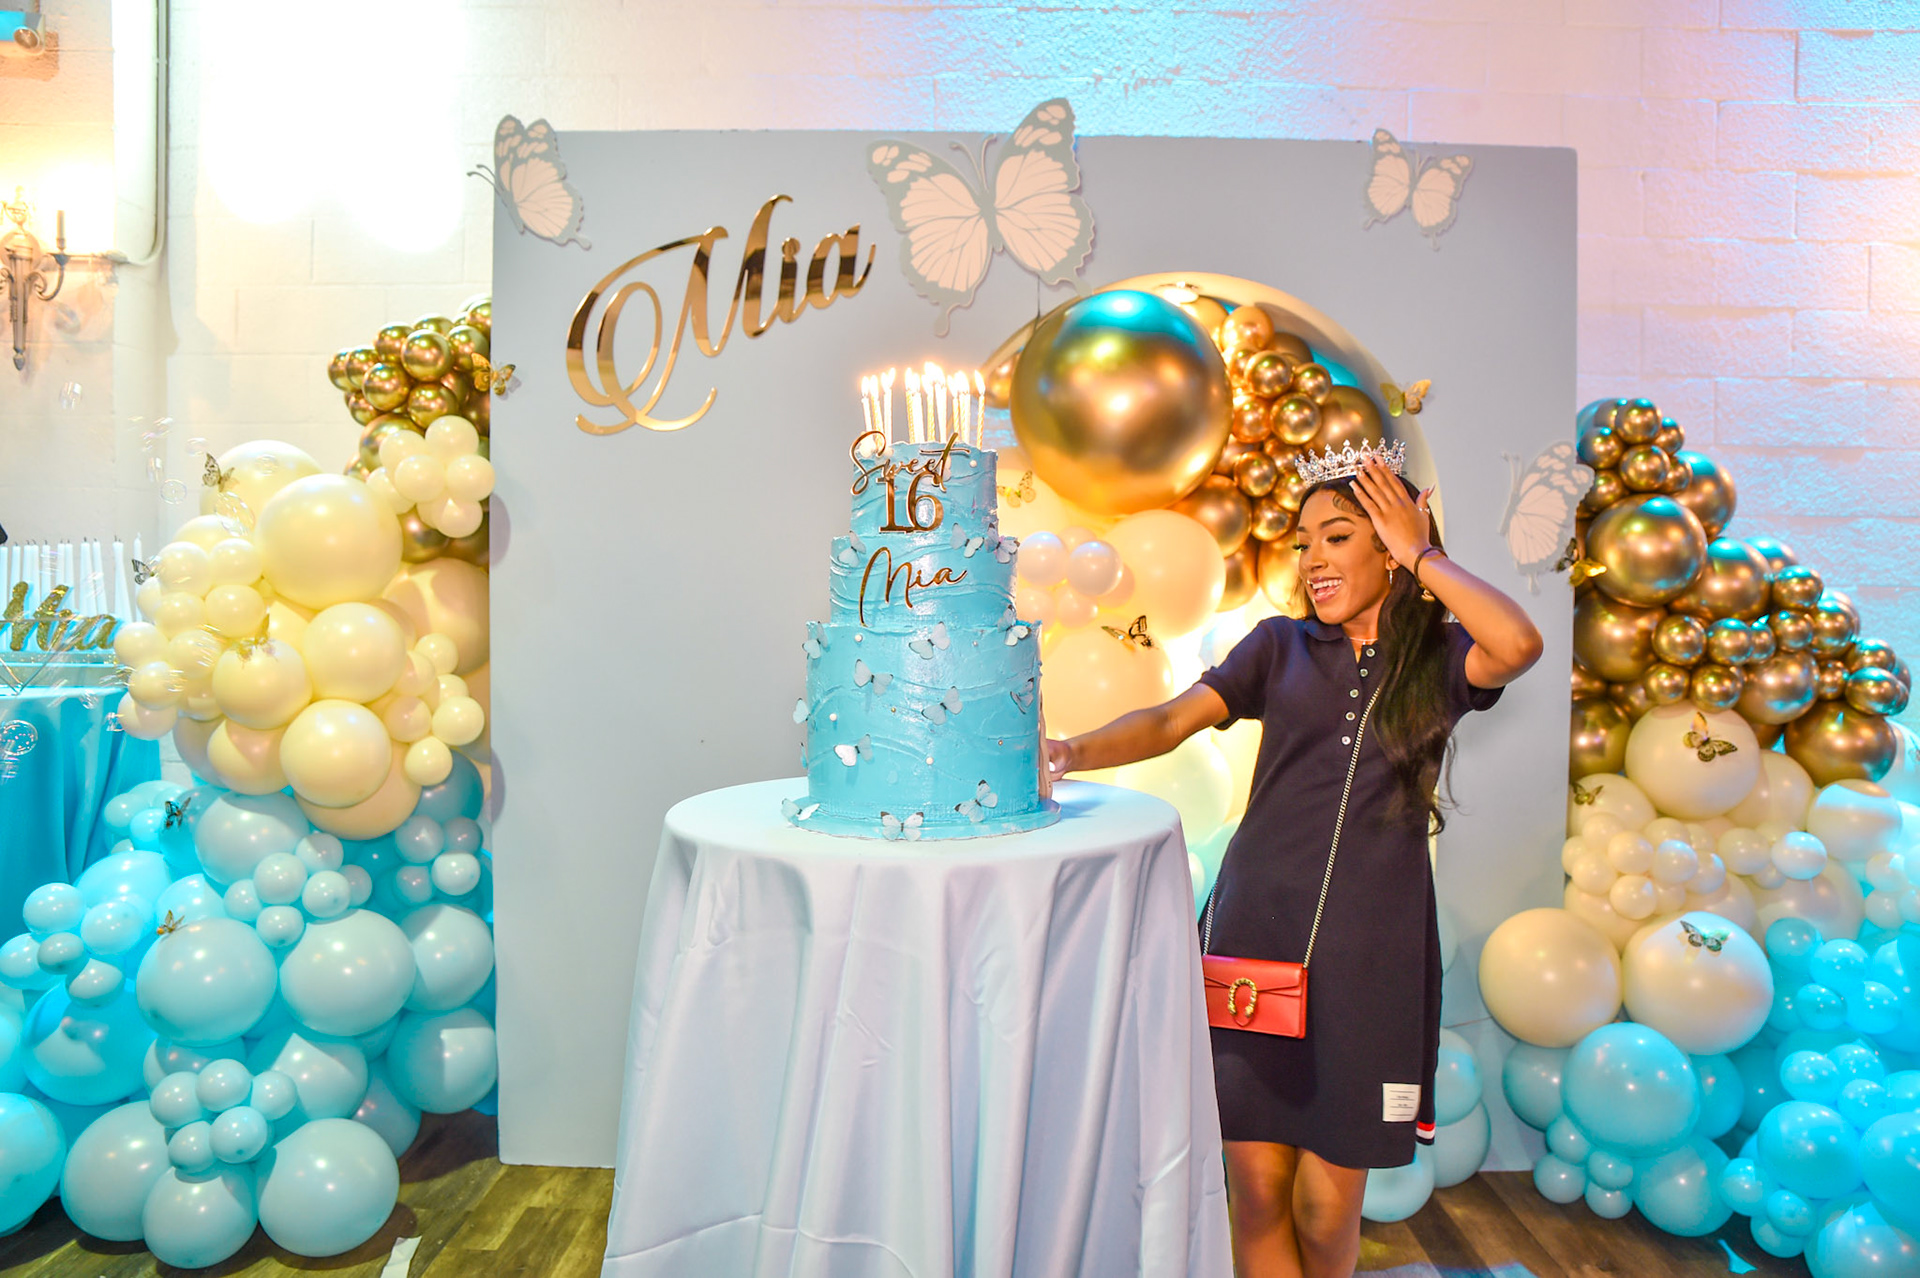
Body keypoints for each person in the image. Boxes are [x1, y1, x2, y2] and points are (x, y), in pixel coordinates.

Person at [1044, 445, 1542, 1278]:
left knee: (1325, 1205)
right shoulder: (1278, 647)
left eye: (1338, 536)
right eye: (1304, 541)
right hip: (1254, 940)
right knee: (1259, 1189)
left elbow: (1519, 642)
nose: (1313, 558)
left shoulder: (1441, 658)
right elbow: (1169, 721)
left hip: (1371, 960)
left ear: (1390, 546)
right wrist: (1070, 750)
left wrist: (1424, 552)